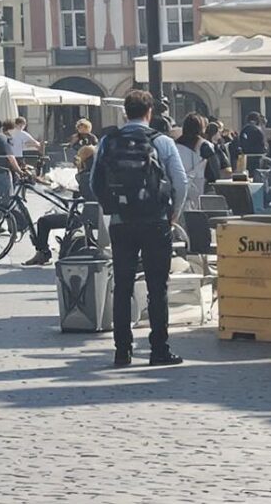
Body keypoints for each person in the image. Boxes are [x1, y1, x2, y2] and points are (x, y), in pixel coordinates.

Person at [91, 89, 190, 367]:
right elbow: (181, 183)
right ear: (149, 113)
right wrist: (173, 214)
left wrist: (112, 207)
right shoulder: (162, 142)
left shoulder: (109, 140)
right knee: (157, 287)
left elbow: (94, 182)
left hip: (122, 222)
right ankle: (159, 349)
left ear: (125, 112)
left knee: (122, 286)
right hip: (155, 220)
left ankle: (122, 351)